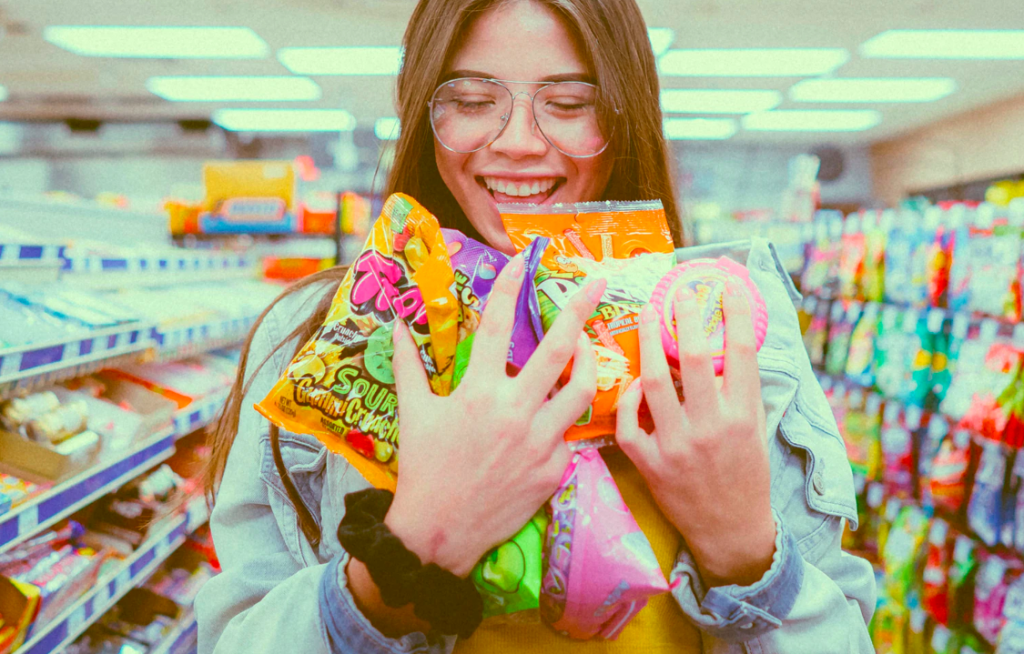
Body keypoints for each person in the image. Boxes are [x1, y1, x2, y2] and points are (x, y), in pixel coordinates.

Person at [196, 0, 877, 652]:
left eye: (570, 104)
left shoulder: (720, 331)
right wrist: (401, 559)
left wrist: (745, 550)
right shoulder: (315, 338)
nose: (518, 142)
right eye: (469, 101)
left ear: (624, 114)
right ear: (421, 111)